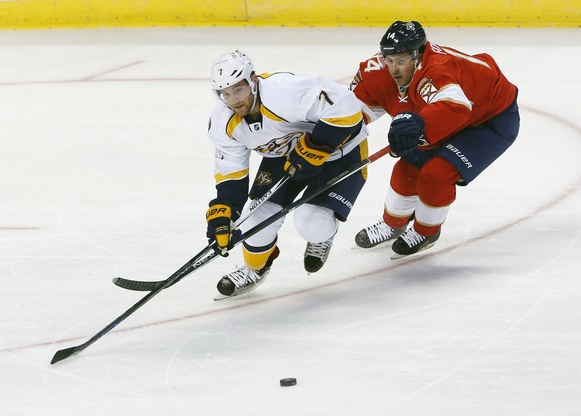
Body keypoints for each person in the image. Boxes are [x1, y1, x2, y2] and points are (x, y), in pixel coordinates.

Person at [349, 21, 520, 258]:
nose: (394, 69)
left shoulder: (438, 70)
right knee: (407, 168)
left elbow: (455, 106)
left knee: (436, 175)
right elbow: (352, 114)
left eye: (401, 61)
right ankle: (393, 225)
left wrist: (417, 127)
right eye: (389, 60)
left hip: (490, 120)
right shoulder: (375, 70)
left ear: (417, 56)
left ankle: (426, 231)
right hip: (451, 112)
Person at [206, 50, 369, 297]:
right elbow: (231, 174)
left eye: (238, 90)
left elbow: (347, 108)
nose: (233, 100)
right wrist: (224, 210)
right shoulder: (224, 121)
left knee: (311, 222)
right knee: (254, 221)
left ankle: (322, 235)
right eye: (225, 94)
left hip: (340, 150)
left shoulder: (285, 91)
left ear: (253, 80)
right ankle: (254, 269)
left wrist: (317, 147)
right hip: (287, 154)